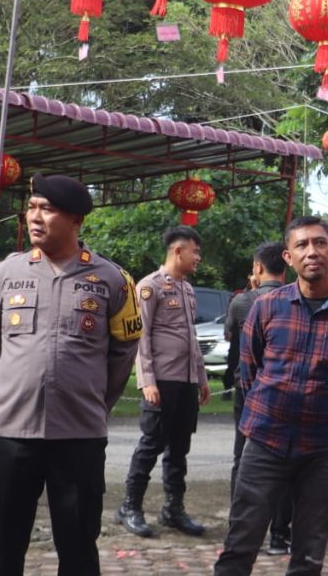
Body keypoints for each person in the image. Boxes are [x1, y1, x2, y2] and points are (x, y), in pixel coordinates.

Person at [0, 174, 142, 576]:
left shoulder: (113, 280)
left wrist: (93, 402)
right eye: (32, 207)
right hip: (13, 433)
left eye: (46, 209)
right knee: (2, 547)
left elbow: (123, 352)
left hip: (79, 436)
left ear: (74, 220)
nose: (35, 217)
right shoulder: (5, 274)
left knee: (79, 547)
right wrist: (14, 392)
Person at [214, 215, 328, 576]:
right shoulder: (266, 307)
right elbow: (249, 372)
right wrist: (266, 414)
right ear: (288, 258)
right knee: (240, 543)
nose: (312, 252)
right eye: (301, 245)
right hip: (265, 441)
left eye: (320, 243)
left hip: (325, 448)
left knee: (308, 552)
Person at [116, 225, 211, 538]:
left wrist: (202, 378)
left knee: (179, 448)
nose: (198, 257)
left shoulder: (187, 289)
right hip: (162, 382)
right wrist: (147, 381)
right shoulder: (149, 287)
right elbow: (139, 338)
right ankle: (130, 506)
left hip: (185, 383)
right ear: (178, 251)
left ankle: (173, 509)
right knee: (151, 444)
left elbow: (191, 338)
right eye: (195, 251)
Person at [224, 242, 292, 556]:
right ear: (287, 266)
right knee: (286, 461)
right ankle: (280, 535)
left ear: (257, 268)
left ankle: (239, 529)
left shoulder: (242, 302)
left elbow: (230, 338)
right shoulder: (296, 301)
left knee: (244, 458)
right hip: (286, 391)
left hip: (249, 389)